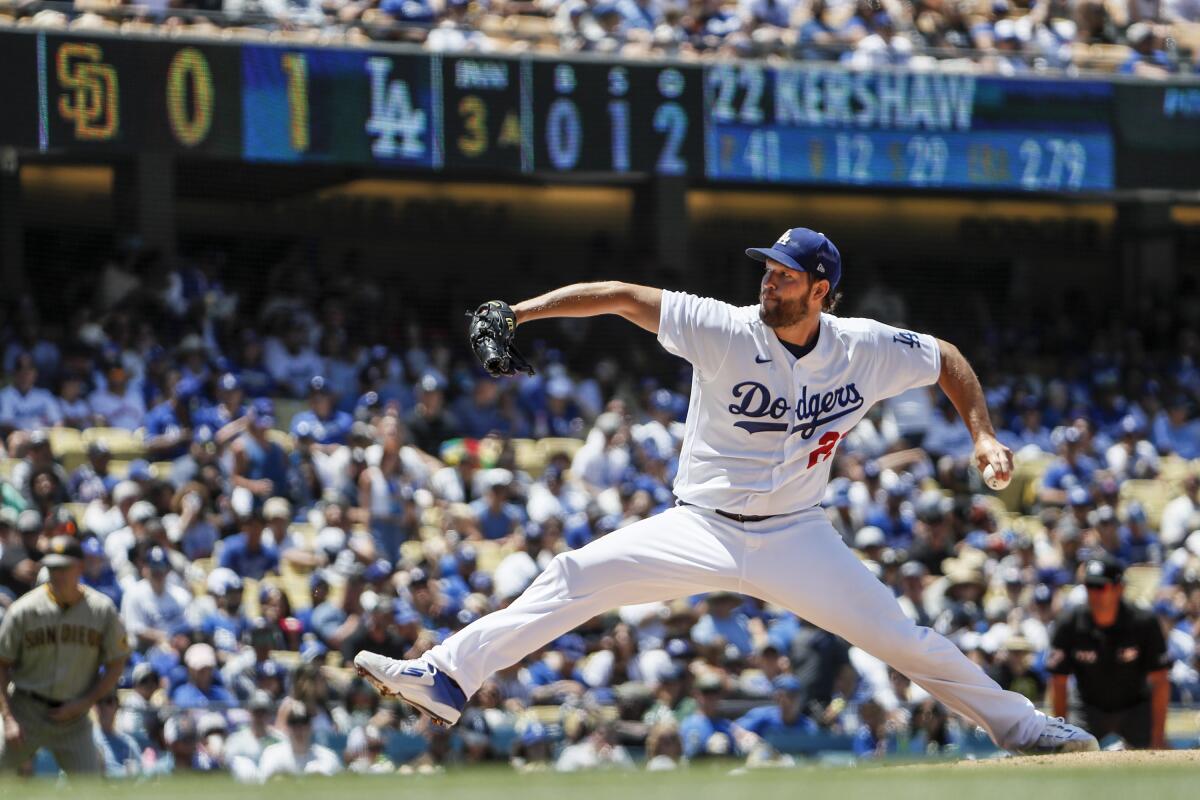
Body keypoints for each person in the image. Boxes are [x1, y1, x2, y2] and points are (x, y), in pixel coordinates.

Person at [354, 227, 1096, 754]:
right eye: (766, 270)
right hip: (699, 525)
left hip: (798, 535)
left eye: (783, 274)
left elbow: (948, 359)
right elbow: (617, 296)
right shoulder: (722, 328)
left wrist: (983, 434)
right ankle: (447, 676)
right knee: (573, 575)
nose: (767, 281)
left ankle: (1026, 729)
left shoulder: (863, 347)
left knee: (902, 640)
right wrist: (519, 312)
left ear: (820, 290)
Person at [0, 536, 131, 774]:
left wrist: (86, 701)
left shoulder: (101, 611)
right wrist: (8, 718)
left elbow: (117, 661)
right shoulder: (24, 611)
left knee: (89, 790)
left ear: (80, 567)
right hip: (26, 711)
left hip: (74, 718)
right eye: (52, 568)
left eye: (63, 567)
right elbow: (1, 664)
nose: (57, 574)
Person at [1049, 555, 1170, 749]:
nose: (1094, 593)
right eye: (1089, 586)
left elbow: (1160, 680)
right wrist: (1060, 735)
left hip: (1135, 707)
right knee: (1071, 757)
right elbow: (1058, 681)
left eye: (1101, 587)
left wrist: (1157, 737)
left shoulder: (1144, 622)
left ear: (1119, 588)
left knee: (1157, 756)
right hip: (1088, 708)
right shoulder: (1069, 623)